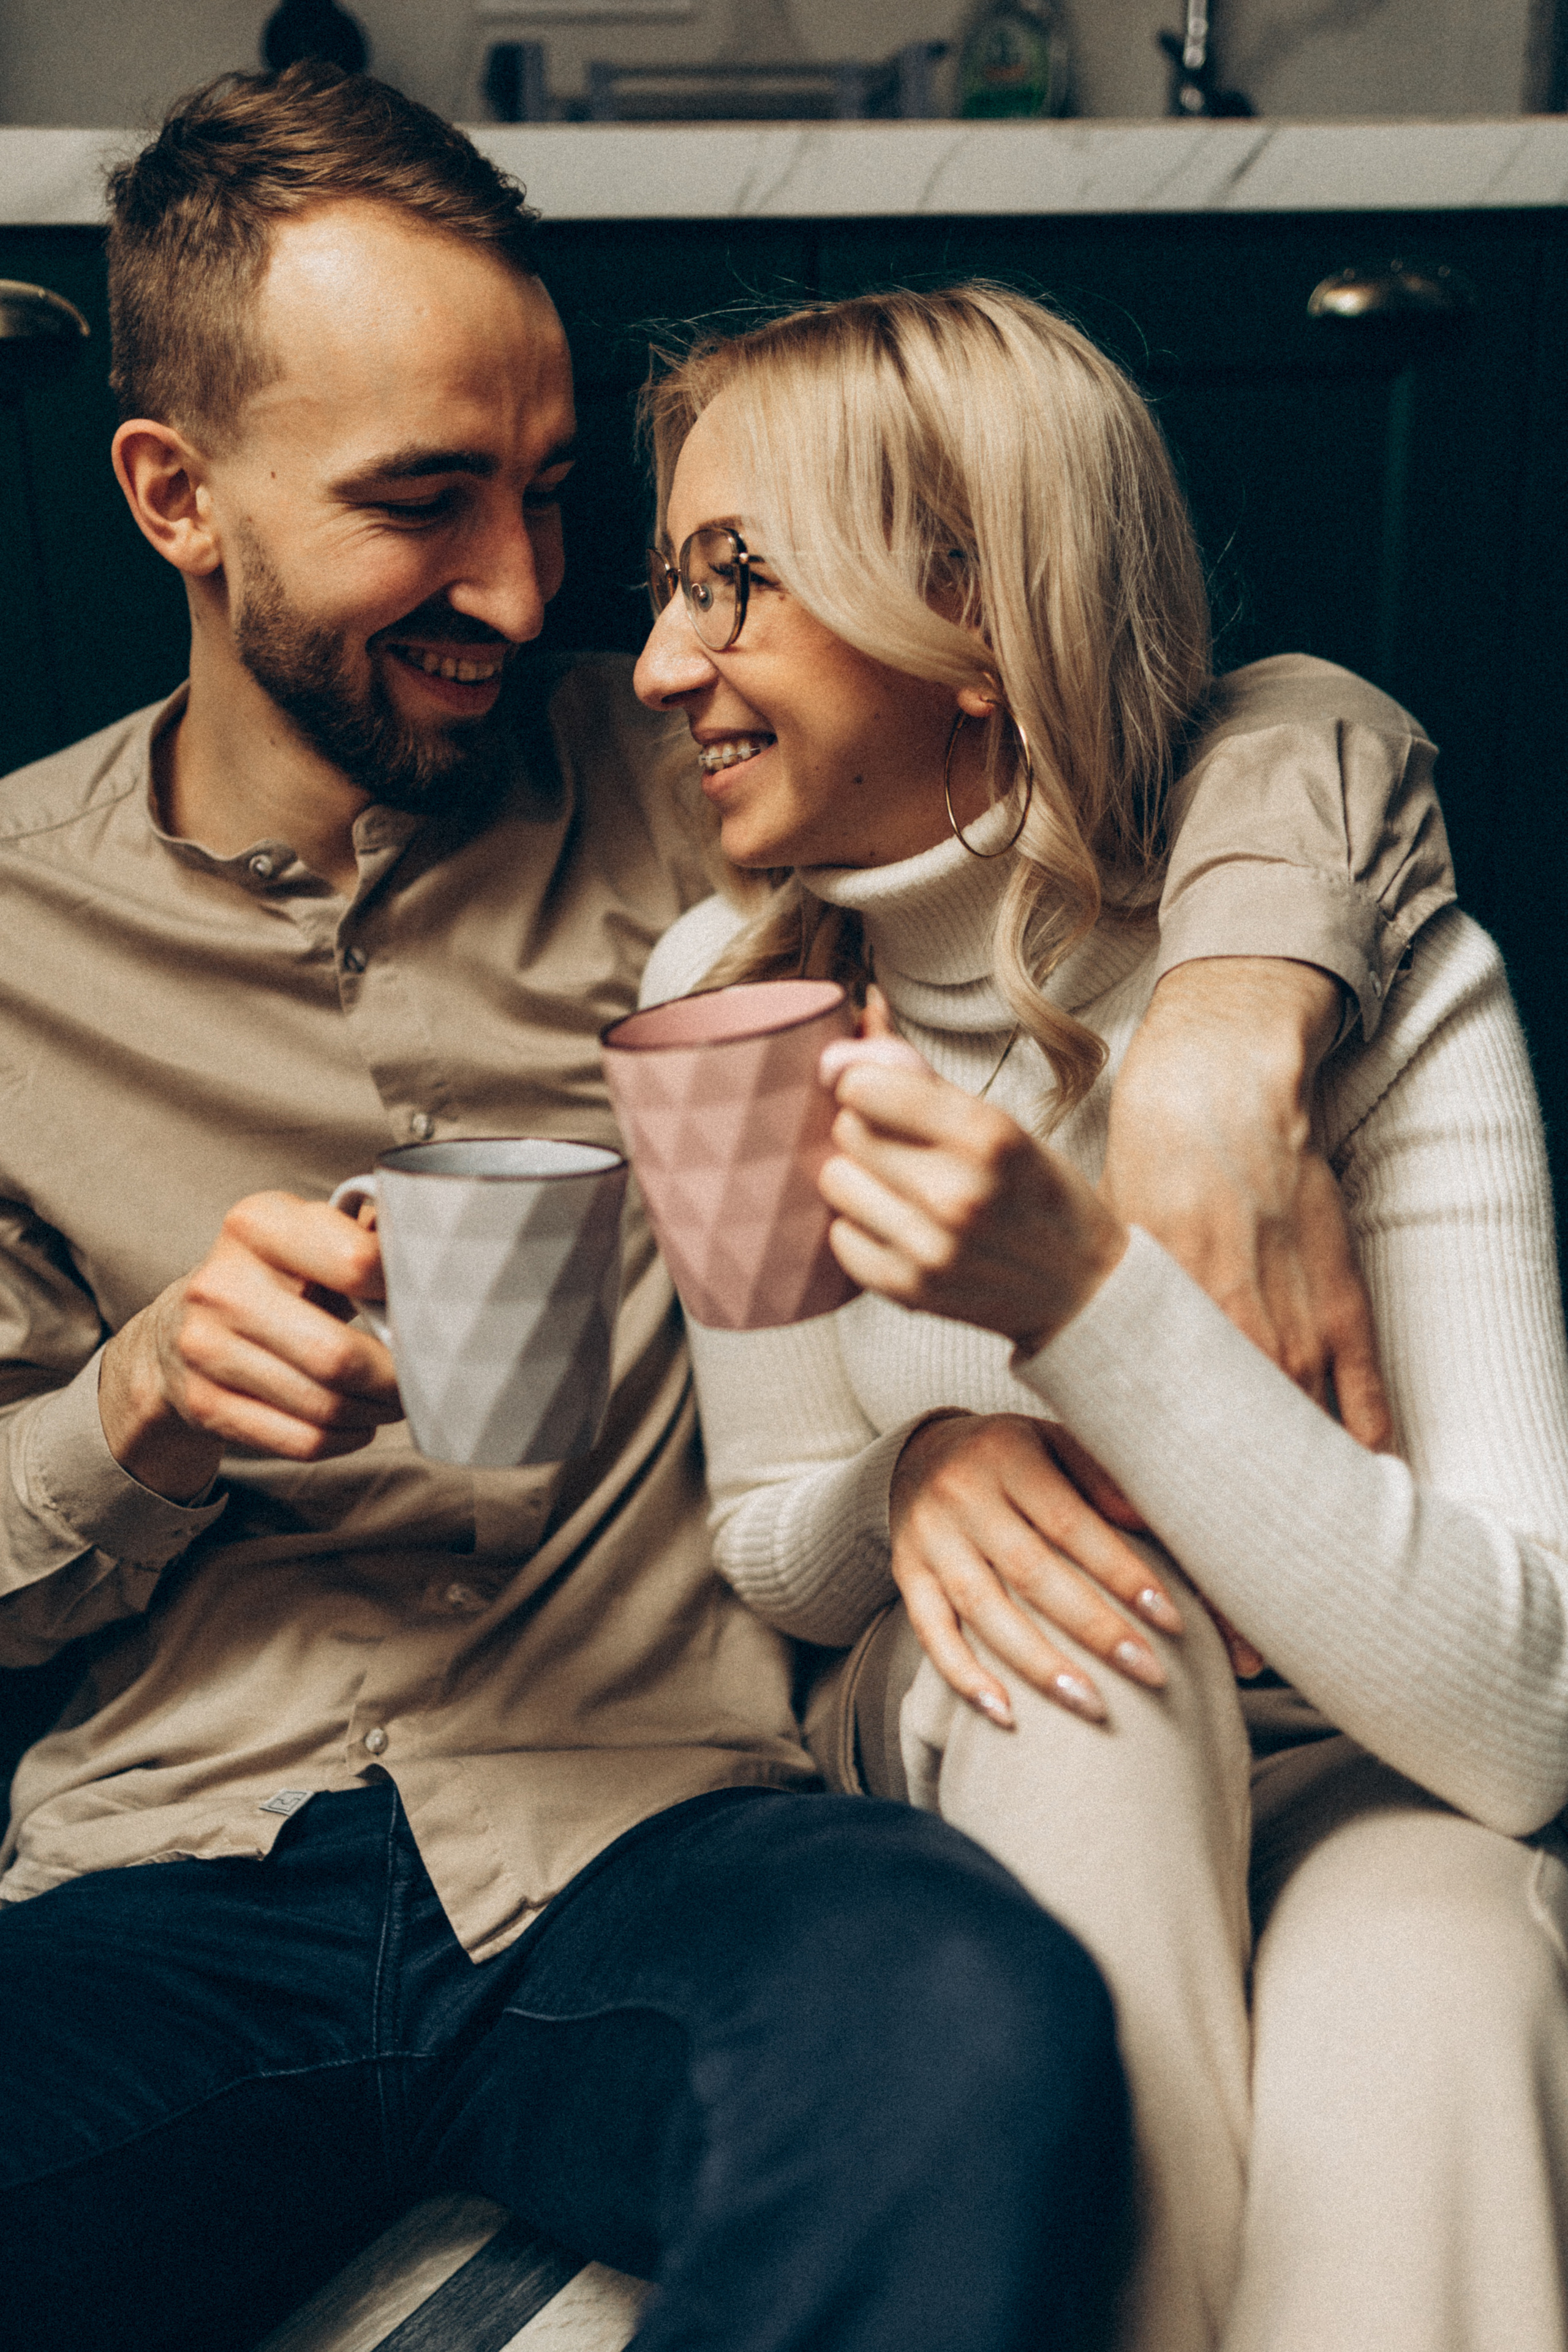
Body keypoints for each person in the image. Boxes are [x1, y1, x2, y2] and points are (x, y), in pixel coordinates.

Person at [0, 66, 1449, 2352]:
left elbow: (1276, 716)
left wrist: (1233, 1024)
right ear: (176, 495)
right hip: (177, 1867)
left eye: (554, 496)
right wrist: (134, 1408)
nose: (522, 587)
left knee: (976, 2041)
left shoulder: (707, 785)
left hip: (655, 1826)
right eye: (424, 503)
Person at [633, 285, 1568, 2352]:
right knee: (1096, 1656)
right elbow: (775, 1529)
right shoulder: (730, 1004)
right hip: (975, 1732)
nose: (658, 663)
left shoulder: (1371, 990)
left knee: (1450, 1984)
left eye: (732, 586)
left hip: (1369, 1764)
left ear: (972, 610)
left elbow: (1520, 1733)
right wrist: (921, 1475)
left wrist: (1084, 1302)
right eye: (669, 587)